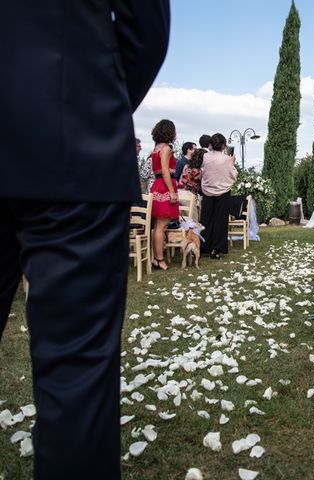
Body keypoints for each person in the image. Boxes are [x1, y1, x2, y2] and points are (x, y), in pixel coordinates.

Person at [0, 1, 170, 478]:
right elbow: (146, 29)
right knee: (76, 380)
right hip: (69, 133)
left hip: (70, 134)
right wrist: (93, 101)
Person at [200, 133, 238, 259]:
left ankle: (204, 246)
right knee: (220, 221)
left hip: (207, 191)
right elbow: (233, 175)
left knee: (207, 219)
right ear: (223, 145)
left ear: (211, 144)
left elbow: (203, 172)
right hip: (223, 191)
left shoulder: (205, 156)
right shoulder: (226, 158)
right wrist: (232, 163)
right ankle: (216, 249)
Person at [150, 120, 180, 271]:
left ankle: (157, 257)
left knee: (158, 226)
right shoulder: (166, 149)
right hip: (164, 186)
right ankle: (159, 259)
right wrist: (172, 191)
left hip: (157, 185)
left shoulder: (156, 148)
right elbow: (165, 170)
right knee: (162, 225)